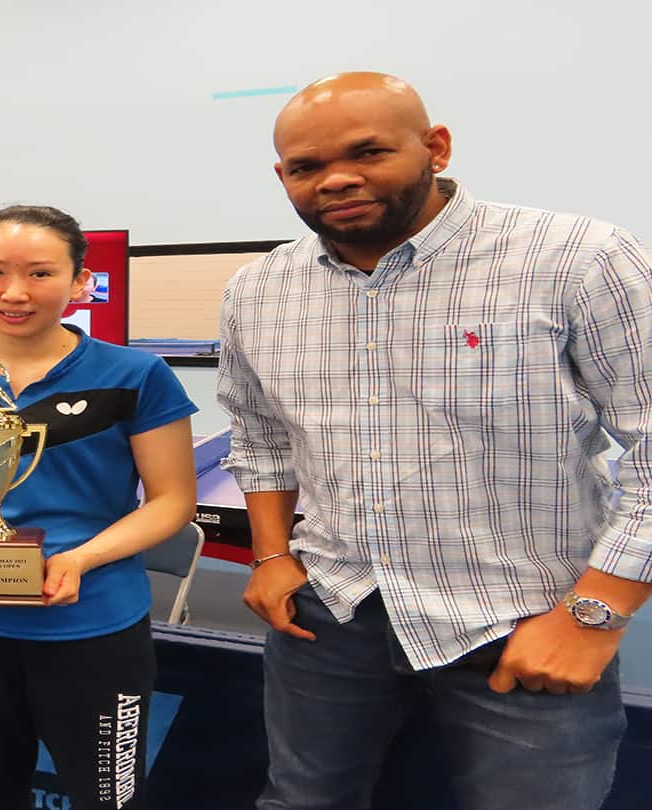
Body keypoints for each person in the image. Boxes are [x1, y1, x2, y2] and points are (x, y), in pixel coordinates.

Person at [220, 72, 652, 810]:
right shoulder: (257, 290)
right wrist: (269, 553)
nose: (338, 179)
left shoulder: (579, 259)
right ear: (282, 176)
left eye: (368, 152)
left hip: (525, 615)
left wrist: (595, 615)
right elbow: (260, 437)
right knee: (302, 801)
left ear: (436, 147)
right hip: (332, 615)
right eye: (308, 166)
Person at [0, 204, 197, 809]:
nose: (14, 293)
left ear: (82, 282)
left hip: (92, 629)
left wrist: (83, 558)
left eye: (41, 274)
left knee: (110, 799)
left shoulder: (137, 375)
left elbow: (173, 500)